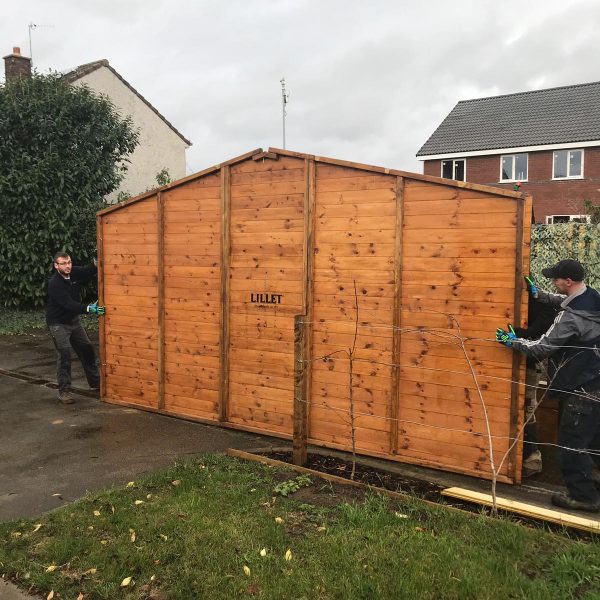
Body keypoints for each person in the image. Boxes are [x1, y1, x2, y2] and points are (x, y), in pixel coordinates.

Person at [496, 259, 600, 512]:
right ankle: (593, 479)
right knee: (593, 439)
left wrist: (513, 342)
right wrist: (540, 295)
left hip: (582, 386)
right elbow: (565, 302)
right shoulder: (593, 298)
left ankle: (584, 497)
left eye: (556, 279)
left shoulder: (570, 318)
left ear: (568, 281)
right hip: (595, 377)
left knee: (570, 444)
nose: (554, 282)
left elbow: (542, 347)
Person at [46, 252, 105, 404]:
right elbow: (68, 304)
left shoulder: (73, 272)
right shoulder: (55, 283)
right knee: (64, 356)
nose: (68, 266)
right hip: (58, 324)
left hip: (73, 321)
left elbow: (87, 271)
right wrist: (89, 309)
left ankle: (95, 382)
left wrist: (96, 261)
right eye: (64, 263)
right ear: (56, 266)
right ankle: (64, 392)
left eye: (69, 262)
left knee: (87, 350)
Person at [512, 298, 558, 477]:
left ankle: (532, 459)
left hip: (530, 365)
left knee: (526, 409)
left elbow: (546, 323)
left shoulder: (539, 304)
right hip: (518, 363)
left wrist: (523, 333)